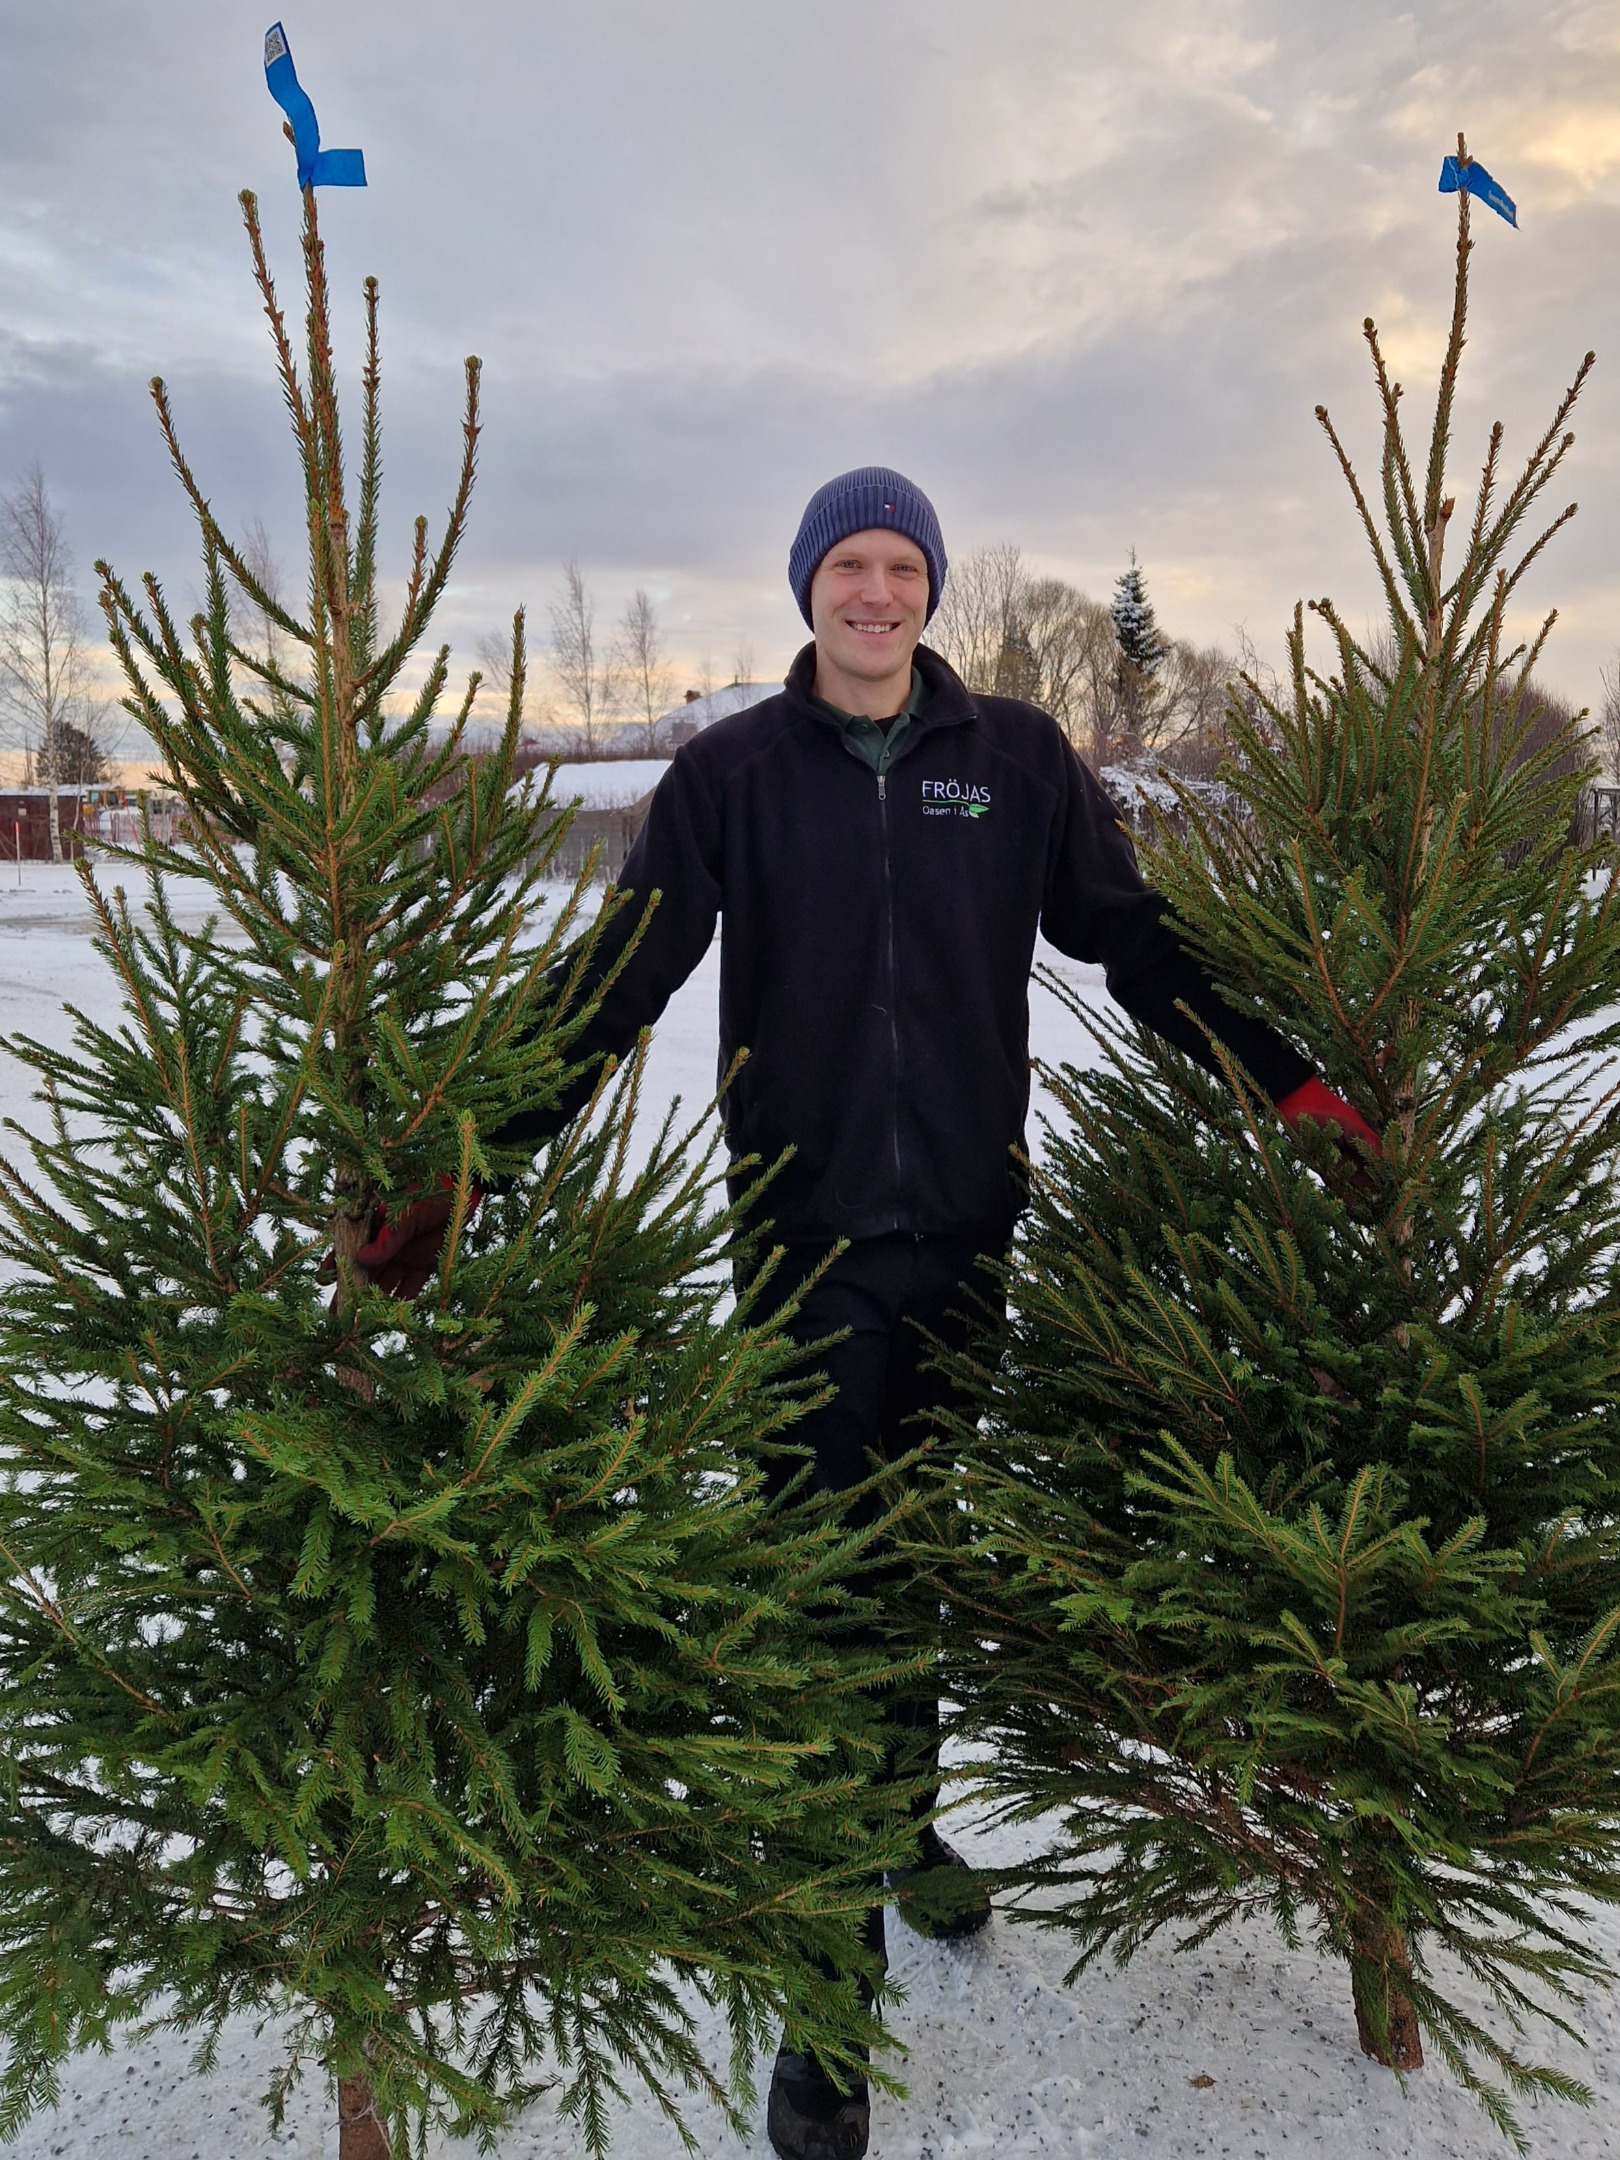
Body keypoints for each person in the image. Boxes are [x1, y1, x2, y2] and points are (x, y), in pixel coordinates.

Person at [359, 467, 1379, 2160]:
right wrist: (473, 1160)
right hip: (802, 1242)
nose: (879, 591)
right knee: (819, 1597)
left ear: (931, 590)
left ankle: (903, 1839)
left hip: (972, 1230)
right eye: (852, 564)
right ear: (807, 588)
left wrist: (1284, 1086)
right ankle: (826, 2002)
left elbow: (1130, 936)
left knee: (913, 1559)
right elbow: (618, 978)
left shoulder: (1021, 762)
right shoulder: (732, 777)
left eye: (904, 565)